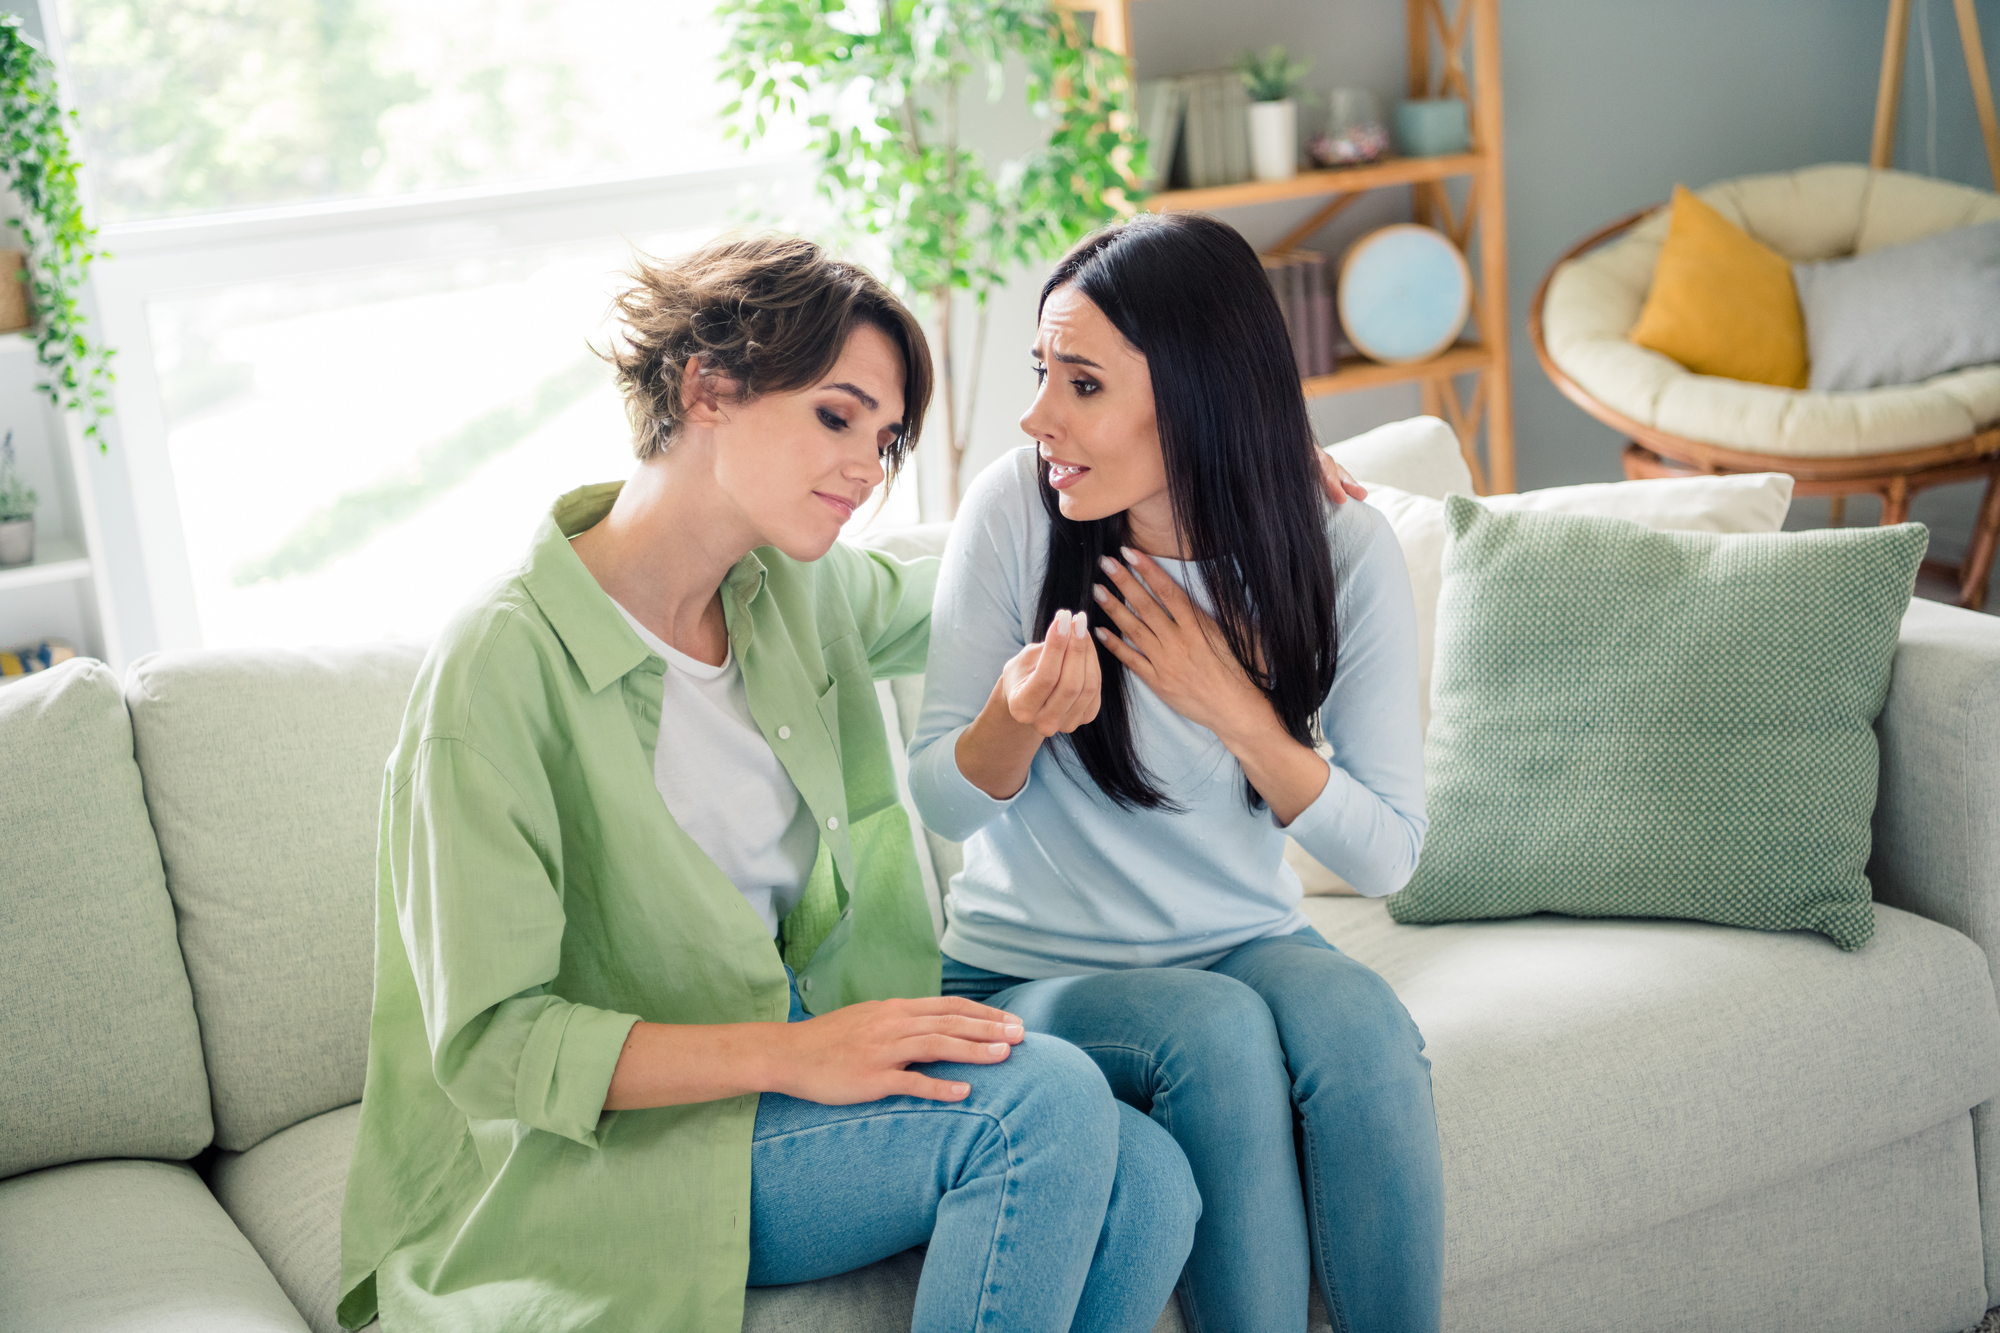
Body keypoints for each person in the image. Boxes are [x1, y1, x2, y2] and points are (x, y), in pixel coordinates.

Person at [335, 233, 1205, 1333]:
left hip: (795, 1065)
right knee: (1039, 1106)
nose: (866, 467)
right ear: (707, 385)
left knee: (1156, 1177)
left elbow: (991, 588)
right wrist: (795, 1053)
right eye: (835, 416)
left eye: (884, 441)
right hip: (624, 1143)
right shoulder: (498, 669)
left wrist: (1220, 482)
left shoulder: (792, 589)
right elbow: (492, 1043)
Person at [908, 212, 1444, 1333]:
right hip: (1023, 976)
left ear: (1198, 393)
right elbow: (939, 796)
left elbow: (1388, 853)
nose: (1038, 414)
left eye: (1083, 383)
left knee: (1363, 1030)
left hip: (1246, 940)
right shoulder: (1015, 509)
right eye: (1041, 370)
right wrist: (1013, 722)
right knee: (1211, 1035)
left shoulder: (1335, 545)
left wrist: (1239, 714)